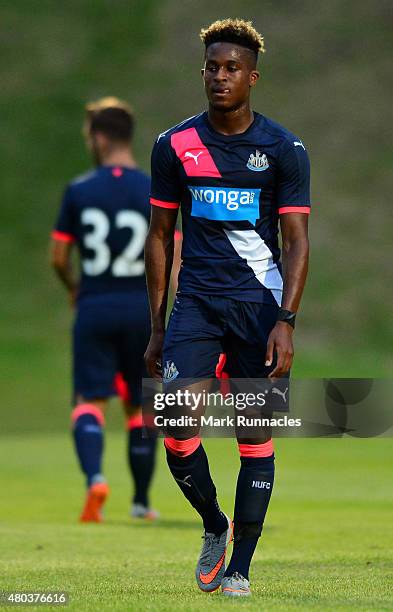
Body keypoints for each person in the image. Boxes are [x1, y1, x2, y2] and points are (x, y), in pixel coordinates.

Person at [144, 19, 310, 597]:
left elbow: (296, 242)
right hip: (196, 306)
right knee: (174, 421)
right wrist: (157, 325)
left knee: (253, 437)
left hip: (259, 310)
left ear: (252, 77)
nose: (220, 76)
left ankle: (240, 567)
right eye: (212, 67)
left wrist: (285, 323)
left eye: (231, 68)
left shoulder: (283, 150)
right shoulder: (175, 145)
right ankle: (215, 525)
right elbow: (160, 235)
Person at [51, 97, 163, 522]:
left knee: (89, 401)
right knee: (142, 407)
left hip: (95, 305)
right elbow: (172, 253)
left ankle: (96, 478)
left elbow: (58, 257)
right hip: (142, 308)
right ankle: (140, 501)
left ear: (98, 138)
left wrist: (74, 288)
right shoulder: (152, 189)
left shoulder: (80, 190)